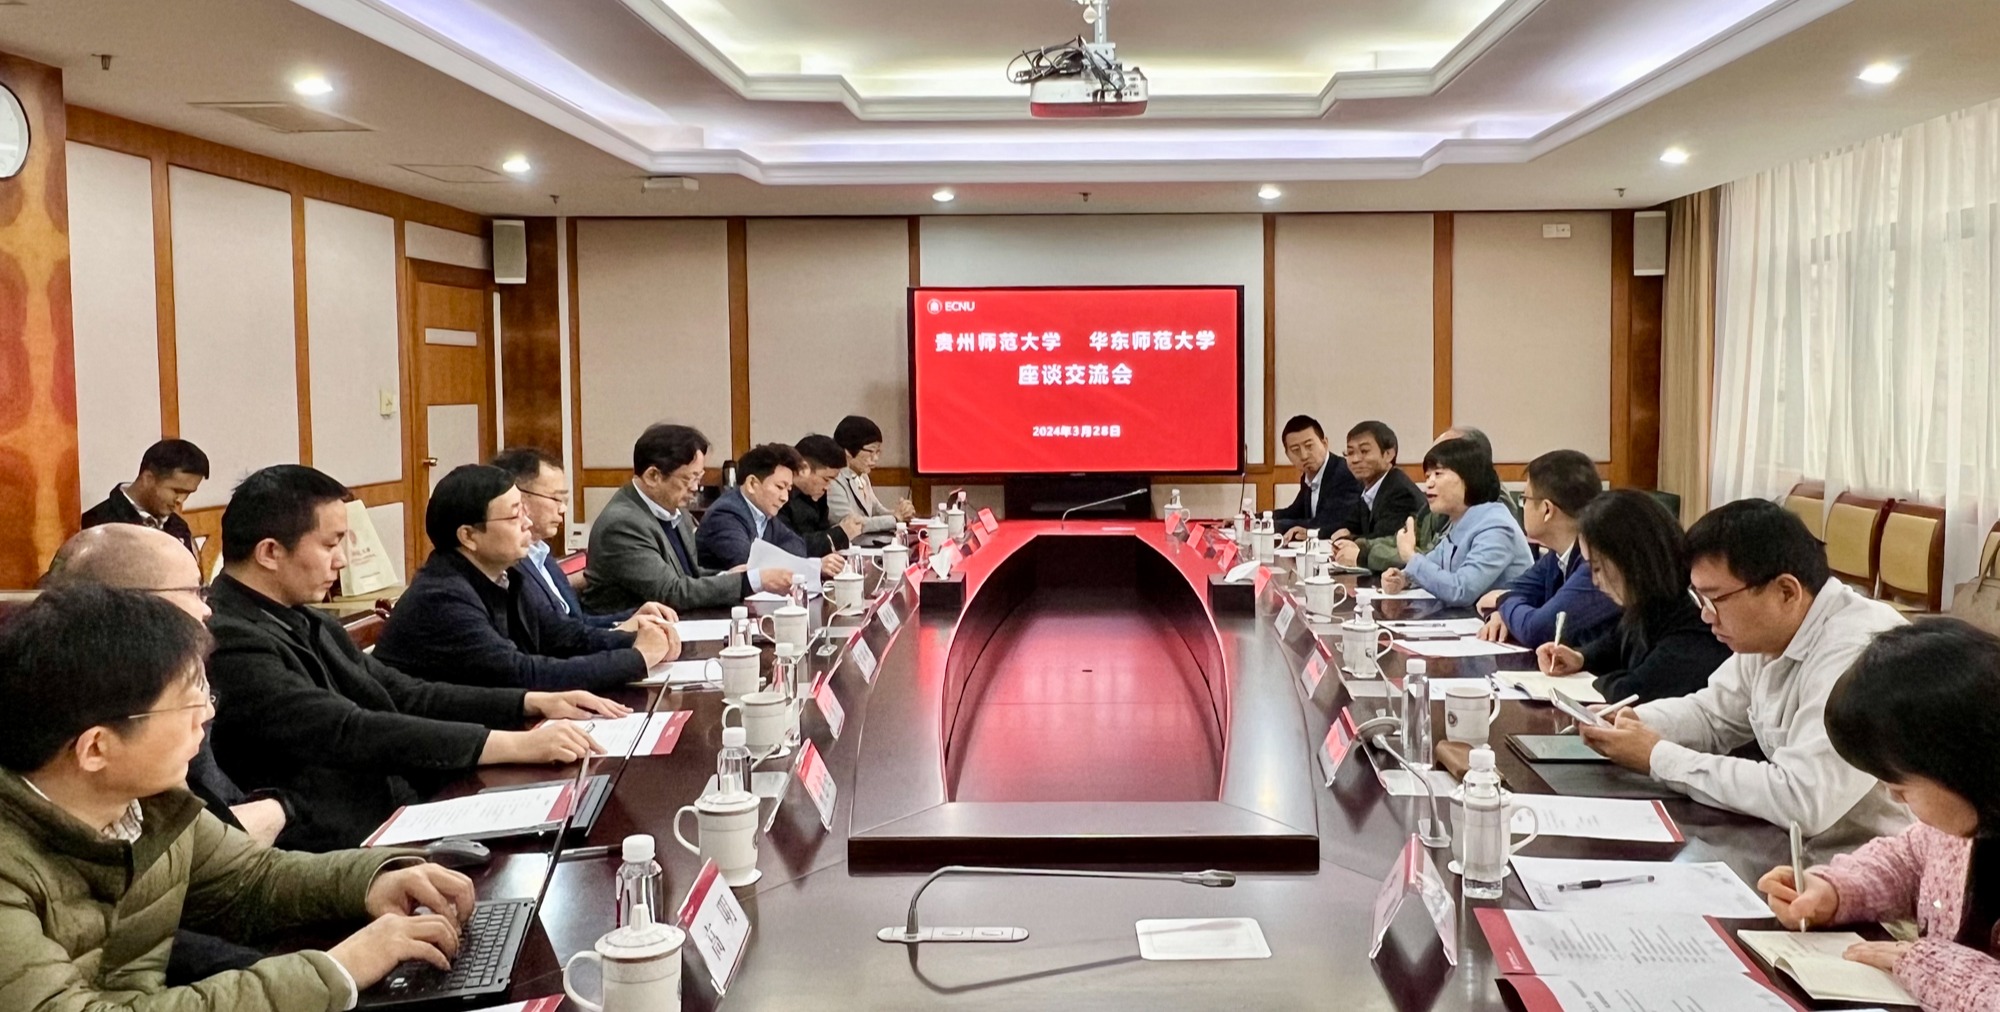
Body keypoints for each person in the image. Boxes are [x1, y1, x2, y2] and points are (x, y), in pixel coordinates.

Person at [0, 585, 482, 1011]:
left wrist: (372, 881)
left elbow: (250, 880)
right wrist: (336, 970)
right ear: (95, 748)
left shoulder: (148, 802)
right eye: (189, 702)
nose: (207, 715)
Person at [206, 465, 628, 851]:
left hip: (393, 806)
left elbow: (402, 691)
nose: (343, 559)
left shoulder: (302, 616)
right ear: (270, 552)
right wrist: (512, 743)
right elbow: (345, 729)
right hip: (330, 843)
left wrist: (530, 703)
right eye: (331, 544)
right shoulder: (230, 640)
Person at [1578, 498, 1910, 855]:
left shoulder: (1860, 652)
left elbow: (1802, 799)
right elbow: (1711, 715)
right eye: (1699, 599)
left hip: (1863, 864)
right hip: (1790, 850)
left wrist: (1658, 756)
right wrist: (1632, 721)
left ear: (1786, 591)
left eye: (1715, 599)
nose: (1706, 616)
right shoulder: (1773, 633)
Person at [1758, 619, 2000, 1011]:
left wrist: (1939, 972)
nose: (1893, 797)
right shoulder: (1962, 822)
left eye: (1900, 788)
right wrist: (1836, 892)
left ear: (1960, 764)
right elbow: (1911, 859)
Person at [41, 524, 293, 847]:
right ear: (136, 601)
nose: (207, 609)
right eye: (193, 591)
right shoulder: (115, 692)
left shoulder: (179, 666)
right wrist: (283, 807)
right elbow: (196, 836)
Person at [374, 465, 680, 693]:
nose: (527, 523)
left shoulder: (508, 573)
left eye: (524, 512)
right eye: (514, 516)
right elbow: (520, 675)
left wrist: (638, 639)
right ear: (468, 536)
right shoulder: (442, 597)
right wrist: (637, 658)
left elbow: (562, 637)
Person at [1537, 490, 1730, 702]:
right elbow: (1620, 640)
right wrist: (1581, 658)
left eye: (1597, 567)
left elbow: (1634, 692)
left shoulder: (1696, 615)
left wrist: (1597, 682)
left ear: (1631, 559)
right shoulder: (1655, 601)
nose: (1594, 580)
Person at [582, 424, 793, 613]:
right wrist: (751, 582)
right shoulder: (623, 524)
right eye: (689, 479)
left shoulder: (676, 511)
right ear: (653, 476)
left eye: (699, 477)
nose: (695, 488)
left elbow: (688, 576)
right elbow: (671, 591)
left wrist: (727, 576)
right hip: (624, 630)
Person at [489, 446, 676, 630]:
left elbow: (577, 624)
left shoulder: (542, 554)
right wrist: (621, 635)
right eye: (556, 499)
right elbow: (554, 639)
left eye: (565, 501)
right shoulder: (508, 564)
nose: (563, 509)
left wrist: (633, 617)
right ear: (519, 497)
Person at [1477, 449, 1618, 647]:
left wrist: (1503, 603)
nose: (1523, 507)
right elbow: (1509, 591)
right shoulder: (1556, 555)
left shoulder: (1596, 564)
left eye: (1525, 499)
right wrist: (1501, 612)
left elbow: (1538, 629)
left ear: (1547, 510)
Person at [1380, 436, 1532, 607]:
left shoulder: (1496, 527)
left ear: (1469, 478)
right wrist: (1403, 578)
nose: (1428, 484)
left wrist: (1410, 556)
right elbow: (1434, 564)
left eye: (1438, 474)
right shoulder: (1461, 520)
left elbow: (1461, 591)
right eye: (1427, 476)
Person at [1339, 426, 1488, 574]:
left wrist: (1364, 555)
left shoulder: (1487, 511)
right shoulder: (1440, 506)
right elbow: (1405, 538)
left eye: (1439, 470)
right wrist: (1362, 545)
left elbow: (1435, 562)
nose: (1430, 482)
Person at [695, 442, 846, 577]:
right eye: (779, 487)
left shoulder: (764, 514)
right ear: (752, 484)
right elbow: (749, 564)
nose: (785, 497)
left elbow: (797, 547)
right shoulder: (725, 514)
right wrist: (812, 567)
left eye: (788, 489)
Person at [79, 438, 209, 556]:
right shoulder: (96, 525)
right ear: (148, 478)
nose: (181, 500)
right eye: (177, 490)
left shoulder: (178, 527)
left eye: (188, 493)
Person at [1310, 420, 1422, 548]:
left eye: (1364, 451)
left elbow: (1383, 540)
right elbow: (1350, 524)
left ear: (1388, 454)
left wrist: (1350, 538)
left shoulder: (1400, 491)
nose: (1355, 459)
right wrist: (1311, 533)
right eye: (1350, 453)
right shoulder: (1368, 486)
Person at [827, 415, 916, 546]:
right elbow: (851, 522)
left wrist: (902, 512)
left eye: (878, 452)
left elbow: (876, 510)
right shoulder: (833, 480)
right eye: (871, 452)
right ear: (848, 451)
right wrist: (895, 518)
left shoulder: (863, 476)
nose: (875, 458)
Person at [1271, 415, 1361, 540]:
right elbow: (1294, 512)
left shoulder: (1344, 472)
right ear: (1287, 454)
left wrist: (1269, 526)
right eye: (1295, 450)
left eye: (1309, 446)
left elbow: (1324, 522)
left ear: (1325, 443)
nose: (1304, 456)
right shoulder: (1308, 476)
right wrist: (1256, 518)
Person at [783, 434, 867, 557]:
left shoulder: (817, 494)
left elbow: (822, 531)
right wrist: (839, 534)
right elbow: (789, 545)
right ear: (803, 469)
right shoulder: (780, 496)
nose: (828, 487)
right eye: (826, 479)